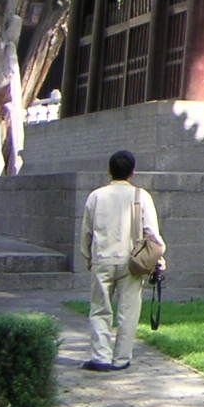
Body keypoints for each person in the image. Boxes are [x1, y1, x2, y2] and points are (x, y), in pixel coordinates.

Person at [79, 149, 164, 371]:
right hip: (132, 261)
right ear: (132, 172)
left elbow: (86, 232)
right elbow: (152, 233)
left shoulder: (96, 196)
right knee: (129, 311)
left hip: (102, 258)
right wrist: (159, 257)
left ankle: (101, 357)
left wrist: (87, 257)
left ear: (109, 170)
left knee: (99, 309)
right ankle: (122, 358)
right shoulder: (141, 196)